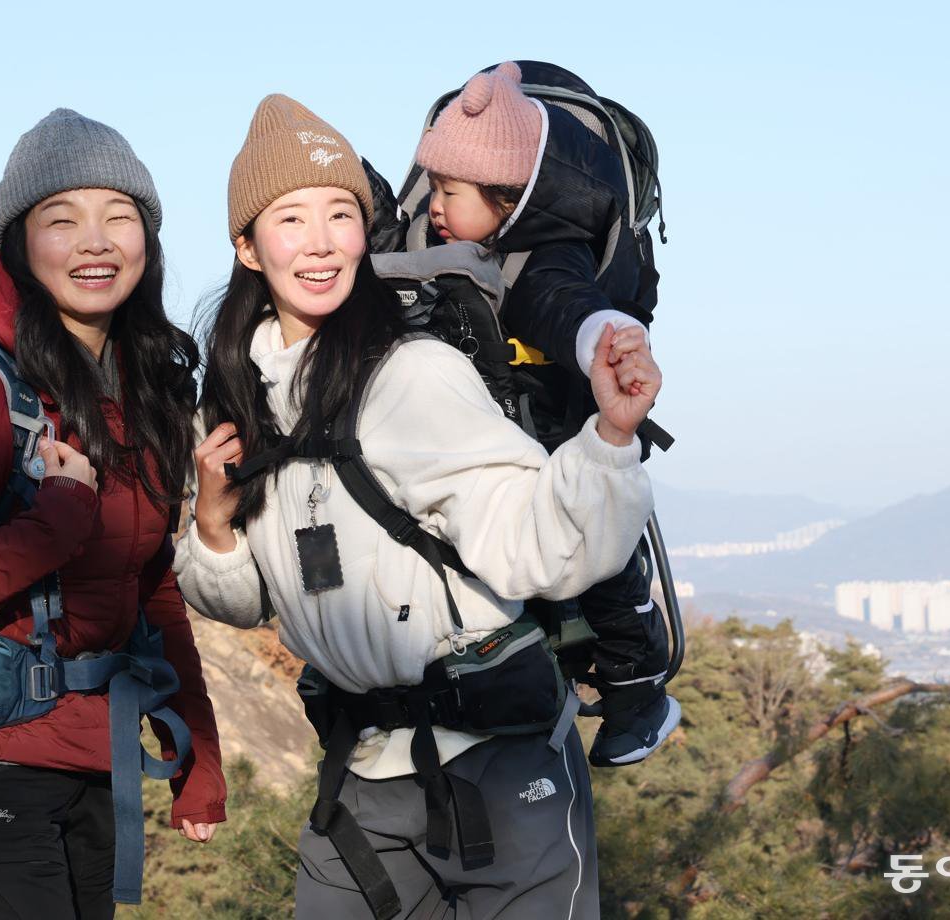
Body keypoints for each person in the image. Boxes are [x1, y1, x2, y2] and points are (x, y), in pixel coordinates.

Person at [175, 94, 659, 918]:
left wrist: (610, 438)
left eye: (341, 214)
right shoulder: (237, 399)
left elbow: (537, 543)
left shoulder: (412, 374)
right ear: (247, 247)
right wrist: (214, 523)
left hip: (497, 770)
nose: (322, 242)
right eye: (291, 219)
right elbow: (247, 602)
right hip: (360, 781)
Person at [0, 110, 227, 917]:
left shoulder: (144, 389)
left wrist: (197, 752)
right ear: (20, 244)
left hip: (90, 755)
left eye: (119, 217)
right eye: (62, 220)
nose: (94, 243)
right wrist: (56, 524)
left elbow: (151, 587)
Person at [414, 61, 680, 766]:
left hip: (560, 430)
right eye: (431, 188)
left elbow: (569, 309)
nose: (434, 206)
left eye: (449, 192)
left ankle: (639, 692)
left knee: (605, 562)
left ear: (509, 198)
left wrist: (606, 340)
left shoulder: (542, 256)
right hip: (496, 434)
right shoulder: (453, 251)